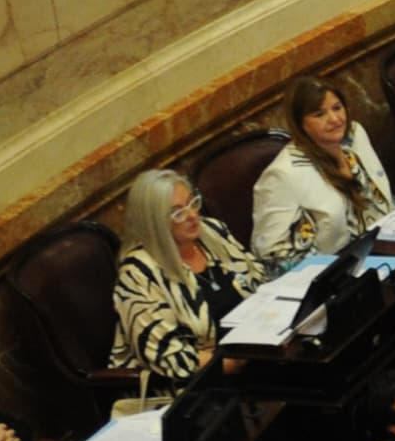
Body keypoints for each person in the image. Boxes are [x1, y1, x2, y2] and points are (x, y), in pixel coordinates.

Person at [107, 164, 280, 384]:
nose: (192, 215)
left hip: (256, 351)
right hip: (197, 385)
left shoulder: (213, 232)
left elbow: (261, 282)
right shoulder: (138, 274)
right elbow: (167, 357)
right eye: (178, 212)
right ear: (153, 222)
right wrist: (238, 362)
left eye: (192, 203)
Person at [252, 74, 395, 261]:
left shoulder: (355, 135)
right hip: (339, 275)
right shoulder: (282, 175)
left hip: (387, 248)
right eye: (319, 114)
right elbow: (273, 254)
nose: (335, 119)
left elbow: (382, 201)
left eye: (337, 108)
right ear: (300, 124)